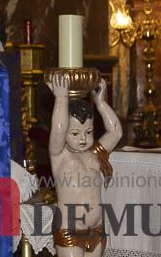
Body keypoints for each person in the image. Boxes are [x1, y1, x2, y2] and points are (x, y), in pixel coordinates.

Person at [47, 75, 122, 257]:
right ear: (65, 133)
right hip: (70, 230)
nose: (83, 138)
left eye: (88, 132)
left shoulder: (94, 154)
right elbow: (58, 129)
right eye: (75, 133)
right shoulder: (60, 156)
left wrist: (101, 103)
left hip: (95, 230)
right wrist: (61, 99)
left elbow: (116, 132)